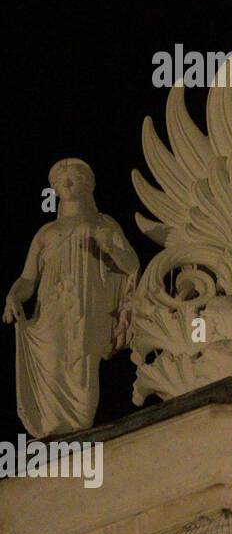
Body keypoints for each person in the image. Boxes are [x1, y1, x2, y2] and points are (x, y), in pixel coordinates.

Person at [3, 158, 139, 437]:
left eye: (73, 176)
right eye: (59, 180)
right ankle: (53, 433)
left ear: (88, 183)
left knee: (82, 373)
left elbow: (132, 266)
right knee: (52, 365)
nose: (66, 182)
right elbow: (28, 279)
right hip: (52, 309)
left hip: (87, 309)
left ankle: (79, 431)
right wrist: (13, 296)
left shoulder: (104, 224)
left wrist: (109, 248)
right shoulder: (47, 233)